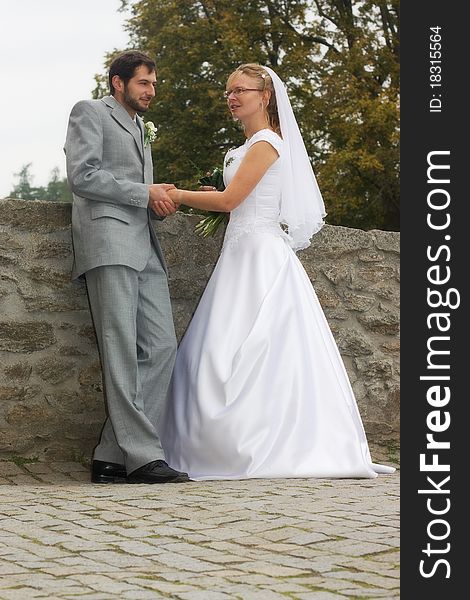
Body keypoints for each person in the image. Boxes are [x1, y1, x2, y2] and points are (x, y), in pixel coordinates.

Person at [159, 63, 395, 480]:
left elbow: (232, 201)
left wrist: (176, 194)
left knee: (256, 348)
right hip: (238, 256)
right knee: (215, 351)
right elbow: (235, 198)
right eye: (228, 91)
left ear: (264, 96)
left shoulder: (267, 143)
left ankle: (263, 443)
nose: (232, 97)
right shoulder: (243, 147)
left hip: (261, 257)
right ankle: (209, 444)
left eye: (241, 90)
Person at [64, 51, 188, 484]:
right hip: (109, 242)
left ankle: (111, 455)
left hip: (144, 244)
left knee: (161, 348)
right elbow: (83, 176)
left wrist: (159, 203)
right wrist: (143, 192)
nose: (151, 91)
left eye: (153, 84)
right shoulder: (89, 112)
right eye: (143, 83)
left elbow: (138, 190)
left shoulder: (140, 126)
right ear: (118, 83)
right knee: (121, 352)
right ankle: (142, 456)